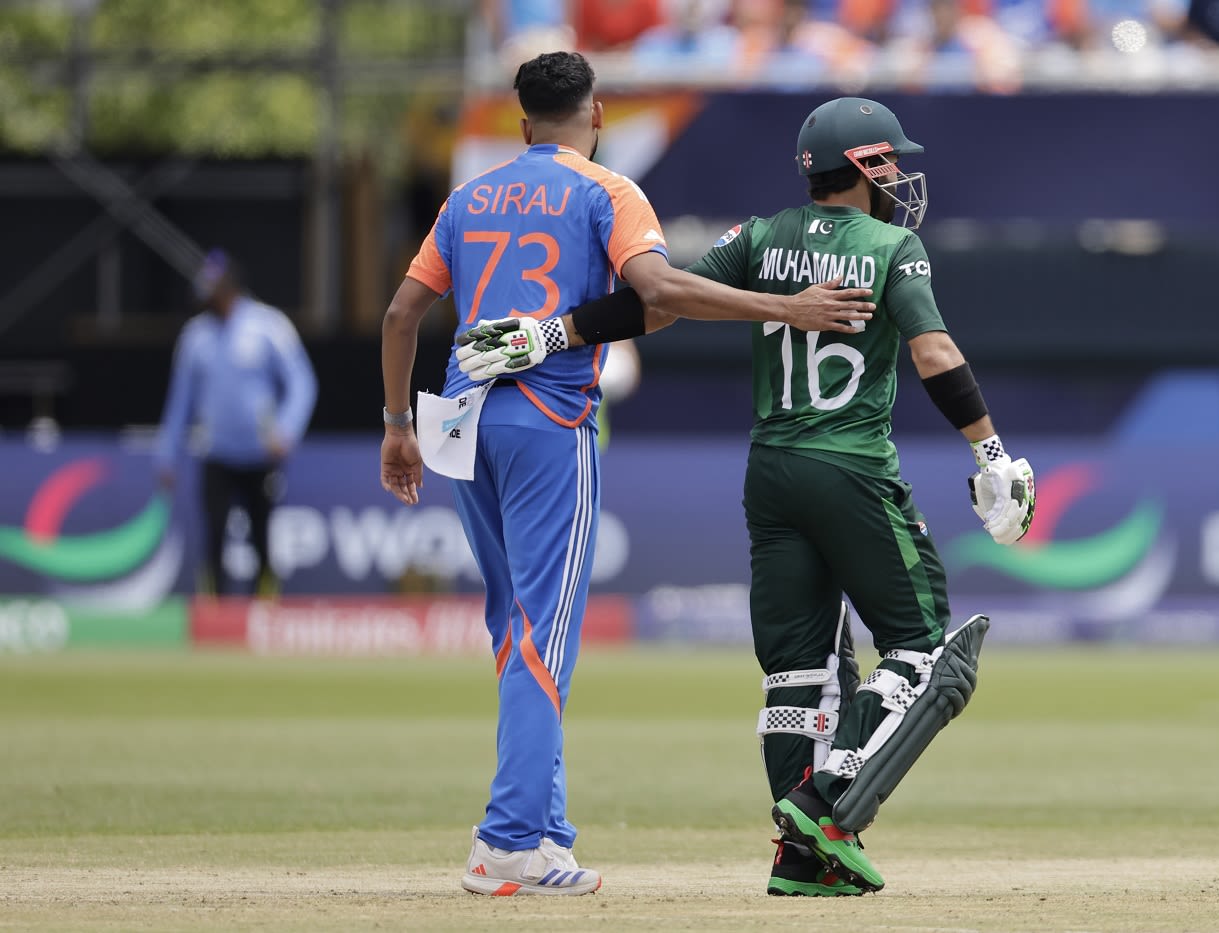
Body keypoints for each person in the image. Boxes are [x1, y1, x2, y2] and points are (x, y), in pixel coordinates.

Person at [456, 96, 1036, 896]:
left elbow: (660, 300)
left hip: (771, 472)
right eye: (890, 161)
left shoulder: (761, 236)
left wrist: (551, 332)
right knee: (926, 649)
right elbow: (933, 350)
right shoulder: (892, 244)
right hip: (852, 466)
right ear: (863, 167)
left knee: (795, 679)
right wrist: (991, 449)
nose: (899, 175)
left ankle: (801, 859)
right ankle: (825, 806)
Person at [377, 51, 876, 898]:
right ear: (596, 114)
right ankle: (504, 843)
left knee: (514, 628)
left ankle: (542, 839)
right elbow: (661, 290)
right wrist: (786, 307)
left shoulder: (469, 198)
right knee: (545, 634)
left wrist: (396, 426)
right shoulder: (607, 192)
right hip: (545, 419)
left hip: (457, 419)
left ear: (523, 120)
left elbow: (401, 314)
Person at [154, 249, 317, 597]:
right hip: (216, 451)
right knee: (213, 531)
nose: (206, 296)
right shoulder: (195, 336)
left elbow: (302, 381)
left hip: (260, 453)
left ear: (229, 286)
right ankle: (215, 610)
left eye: (212, 288)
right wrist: (167, 454)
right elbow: (180, 402)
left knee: (261, 534)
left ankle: (265, 608)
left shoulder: (267, 326)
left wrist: (286, 429)